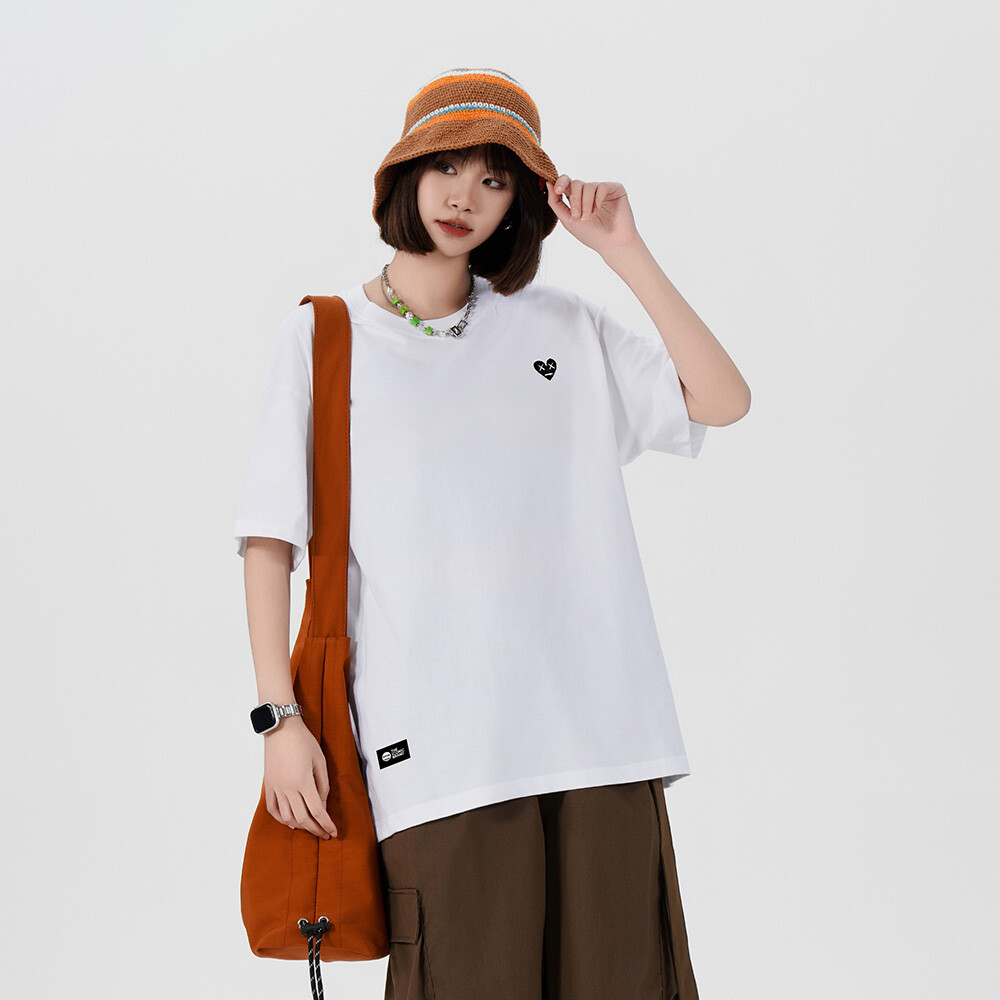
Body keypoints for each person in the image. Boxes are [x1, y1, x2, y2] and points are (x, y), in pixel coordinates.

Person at [235, 67, 750, 1000]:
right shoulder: (325, 337)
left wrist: (624, 250)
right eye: (445, 167)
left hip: (601, 738)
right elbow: (270, 539)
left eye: (494, 178)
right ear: (405, 176)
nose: (463, 196)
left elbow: (721, 399)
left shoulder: (561, 325)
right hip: (441, 751)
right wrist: (280, 719)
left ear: (521, 203)